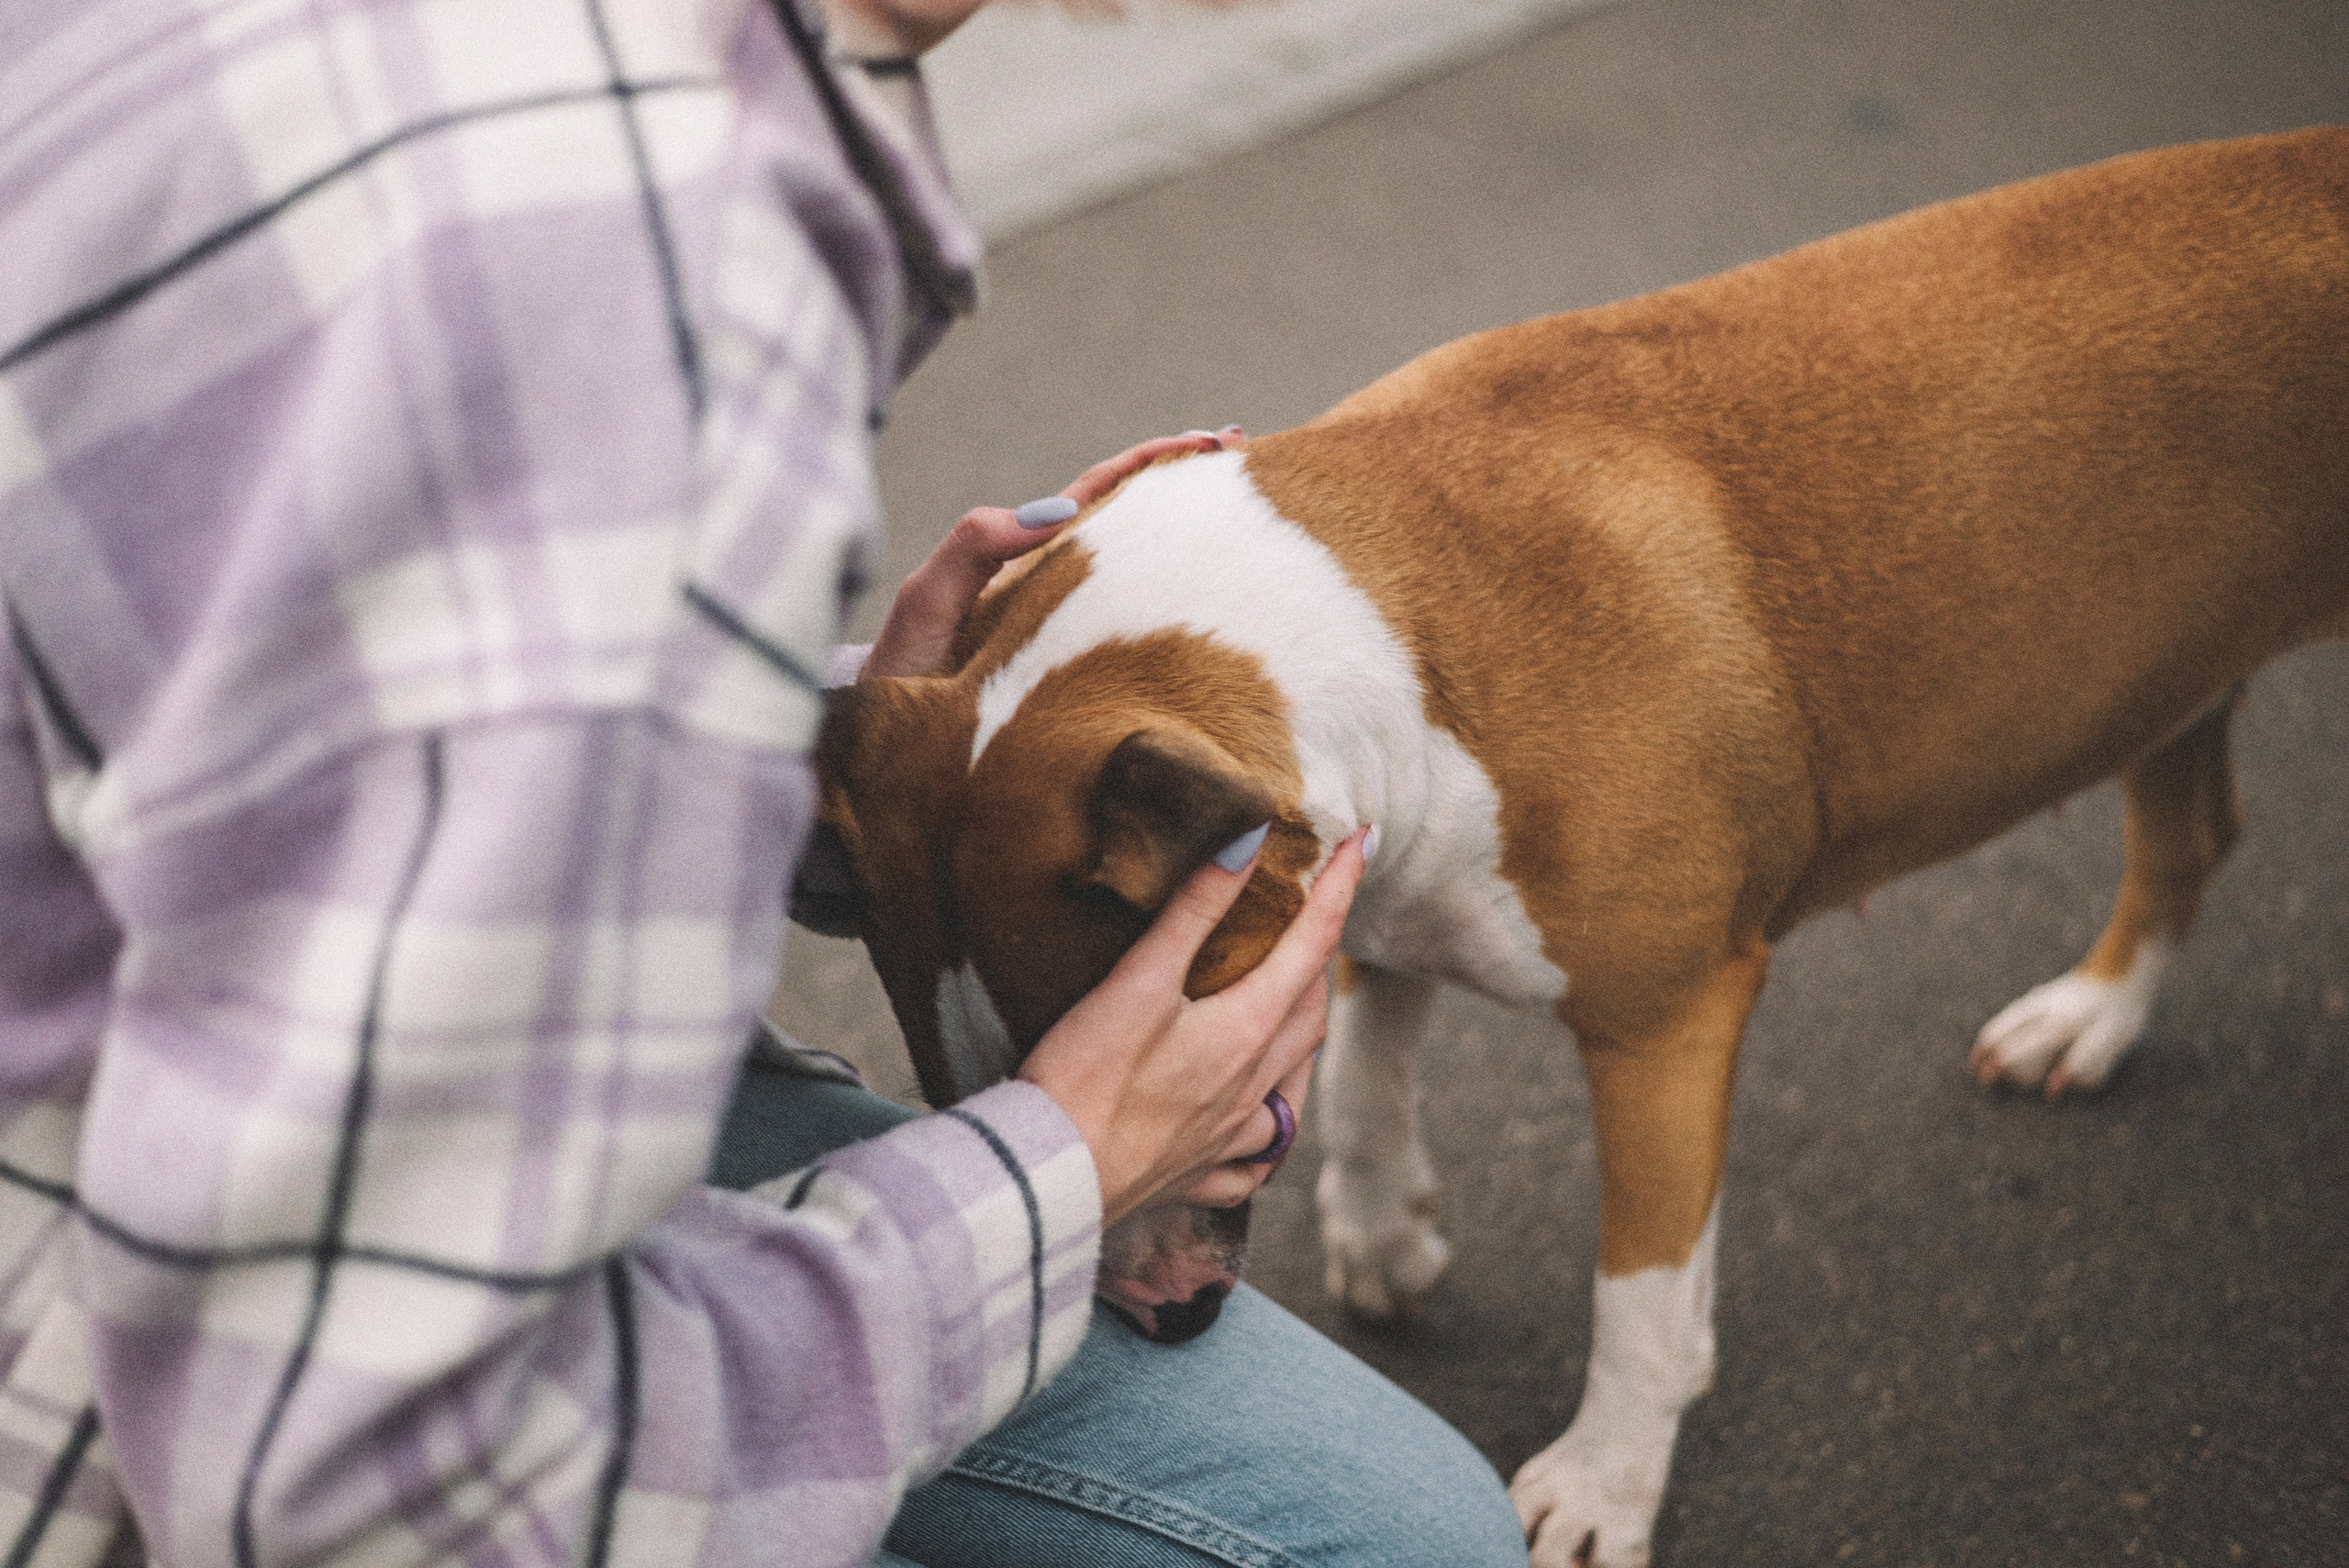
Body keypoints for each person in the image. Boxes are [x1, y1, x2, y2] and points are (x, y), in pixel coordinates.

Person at [0, 0, 1529, 1562]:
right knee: (1396, 1544)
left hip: (144, 1055)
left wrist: (773, 730)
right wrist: (1063, 1164)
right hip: (108, 1354)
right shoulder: (635, 275)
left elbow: (227, 675)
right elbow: (355, 1492)